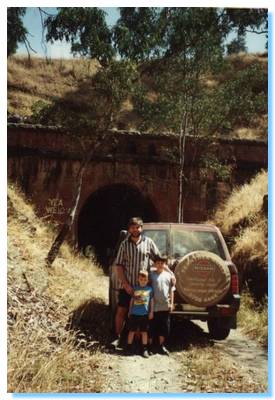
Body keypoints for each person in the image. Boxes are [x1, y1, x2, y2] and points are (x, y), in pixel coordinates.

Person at [111, 217, 160, 348]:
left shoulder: (149, 242)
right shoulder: (124, 244)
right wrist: (125, 285)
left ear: (141, 228)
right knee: (122, 311)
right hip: (129, 286)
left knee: (144, 314)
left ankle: (143, 341)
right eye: (133, 227)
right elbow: (119, 265)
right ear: (129, 229)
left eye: (138, 227)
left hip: (144, 288)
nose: (135, 229)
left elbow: (158, 260)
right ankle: (117, 338)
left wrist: (169, 273)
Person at [149, 254, 175, 356]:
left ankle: (161, 346)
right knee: (152, 327)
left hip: (165, 306)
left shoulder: (168, 276)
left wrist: (172, 303)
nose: (160, 265)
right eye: (158, 263)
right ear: (155, 264)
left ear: (165, 264)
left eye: (162, 263)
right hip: (153, 306)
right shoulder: (151, 275)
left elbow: (171, 291)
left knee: (164, 327)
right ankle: (150, 346)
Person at [125, 270, 154, 358]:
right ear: (138, 279)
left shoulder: (150, 289)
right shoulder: (135, 288)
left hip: (144, 314)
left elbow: (152, 301)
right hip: (134, 313)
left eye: (145, 280)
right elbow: (132, 300)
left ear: (147, 280)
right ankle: (129, 347)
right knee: (132, 331)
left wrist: (151, 311)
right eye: (141, 279)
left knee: (144, 332)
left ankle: (144, 349)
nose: (143, 281)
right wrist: (130, 311)